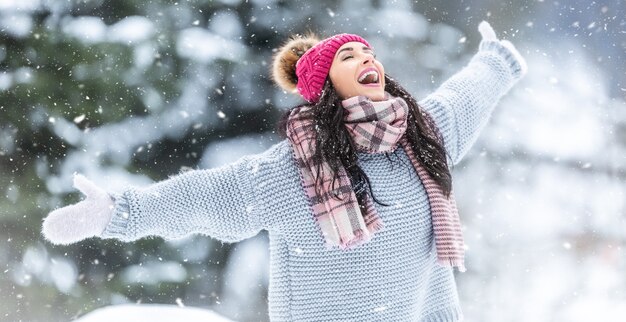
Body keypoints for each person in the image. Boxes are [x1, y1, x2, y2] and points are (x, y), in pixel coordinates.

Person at [43, 21, 527, 321]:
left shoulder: (421, 134)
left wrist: (496, 60)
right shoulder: (298, 168)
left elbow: (466, 96)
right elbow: (207, 196)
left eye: (369, 54)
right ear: (325, 85)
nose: (367, 60)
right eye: (349, 56)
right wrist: (119, 213)